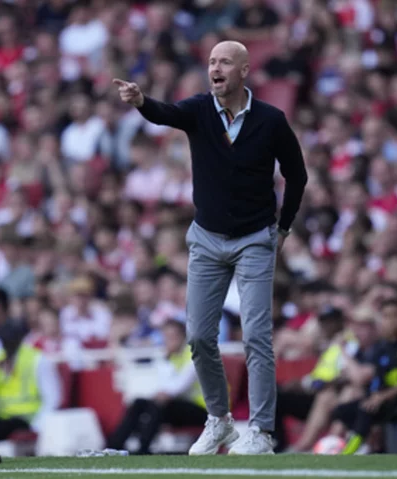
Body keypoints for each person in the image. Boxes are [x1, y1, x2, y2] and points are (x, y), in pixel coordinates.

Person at [114, 40, 308, 455]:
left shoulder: (271, 120)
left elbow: (297, 174)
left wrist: (284, 227)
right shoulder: (200, 109)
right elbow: (165, 113)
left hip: (256, 239)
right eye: (211, 62)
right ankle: (219, 421)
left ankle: (261, 432)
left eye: (223, 62)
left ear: (243, 70)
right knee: (199, 337)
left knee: (257, 336)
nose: (214, 68)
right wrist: (140, 100)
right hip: (205, 239)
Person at [330, 298, 397, 455]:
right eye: (385, 316)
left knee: (366, 411)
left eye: (394, 316)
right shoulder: (381, 348)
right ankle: (365, 441)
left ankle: (348, 453)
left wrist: (381, 397)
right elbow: (377, 379)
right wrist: (374, 396)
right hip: (386, 402)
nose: (390, 321)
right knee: (341, 411)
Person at [107, 319, 208, 454]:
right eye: (166, 337)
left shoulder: (195, 355)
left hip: (204, 409)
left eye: (173, 336)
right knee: (139, 403)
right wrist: (165, 360)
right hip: (179, 405)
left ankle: (143, 449)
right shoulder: (168, 356)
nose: (169, 340)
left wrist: (165, 365)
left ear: (183, 337)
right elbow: (162, 386)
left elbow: (178, 387)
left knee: (158, 406)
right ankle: (113, 446)